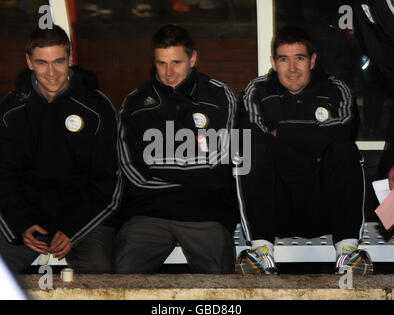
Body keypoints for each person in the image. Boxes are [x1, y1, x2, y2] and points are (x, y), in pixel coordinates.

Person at [237, 26, 372, 275]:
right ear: (273, 62)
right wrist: (318, 138)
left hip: (325, 209)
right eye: (283, 59)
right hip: (276, 211)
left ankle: (347, 252)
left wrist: (281, 133)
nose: (291, 69)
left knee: (345, 151)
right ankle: (261, 252)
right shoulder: (256, 90)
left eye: (299, 58)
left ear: (312, 60)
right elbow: (252, 134)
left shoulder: (336, 89)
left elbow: (344, 131)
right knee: (251, 150)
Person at [116, 24, 239, 274]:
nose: (169, 72)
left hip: (206, 213)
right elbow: (132, 172)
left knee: (220, 286)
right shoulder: (135, 102)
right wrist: (192, 174)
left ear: (193, 58)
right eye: (161, 63)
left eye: (176, 63)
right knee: (123, 280)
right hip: (148, 214)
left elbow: (217, 166)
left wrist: (156, 165)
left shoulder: (218, 96)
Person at [0, 25, 122, 274]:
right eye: (42, 63)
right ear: (29, 62)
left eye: (59, 61)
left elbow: (109, 183)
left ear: (70, 59)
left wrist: (73, 230)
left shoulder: (97, 108)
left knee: (99, 272)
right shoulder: (11, 111)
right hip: (29, 222)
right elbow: (4, 177)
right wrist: (21, 225)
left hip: (85, 222)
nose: (52, 72)